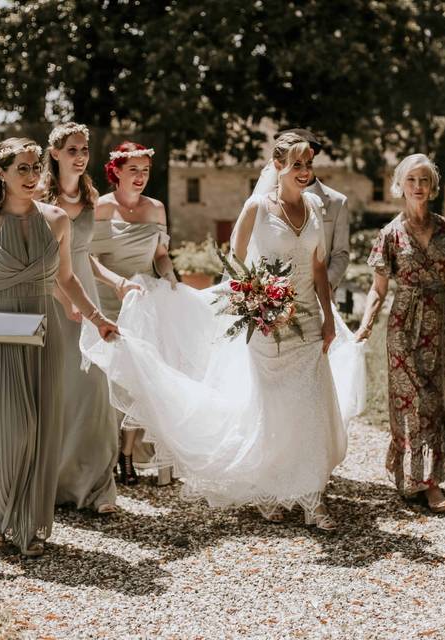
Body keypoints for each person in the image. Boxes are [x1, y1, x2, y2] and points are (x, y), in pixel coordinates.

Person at [82, 132, 367, 531]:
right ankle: (270, 487)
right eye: (297, 165)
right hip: (268, 323)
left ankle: (313, 498)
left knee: (312, 405)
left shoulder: (317, 207)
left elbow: (319, 267)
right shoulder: (256, 207)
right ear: (279, 165)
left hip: (307, 318)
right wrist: (257, 301)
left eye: (309, 165)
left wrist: (329, 317)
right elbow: (235, 264)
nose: (305, 173)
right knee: (274, 406)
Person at [0, 137, 118, 557]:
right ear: (1, 173)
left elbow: (67, 280)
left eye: (36, 169)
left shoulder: (57, 220)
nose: (33, 177)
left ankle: (28, 526)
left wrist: (98, 318)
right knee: (12, 428)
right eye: (23, 170)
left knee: (42, 429)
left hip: (44, 335)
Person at [355, 153, 445, 512]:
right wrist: (366, 323)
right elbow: (378, 289)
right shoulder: (389, 234)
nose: (418, 187)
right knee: (410, 403)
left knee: (435, 401)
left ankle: (430, 480)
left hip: (438, 325)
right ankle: (417, 479)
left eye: (424, 180)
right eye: (412, 180)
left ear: (433, 186)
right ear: (400, 185)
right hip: (403, 326)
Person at [42, 122, 138, 513]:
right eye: (72, 150)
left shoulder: (89, 196)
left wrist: (116, 280)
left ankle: (97, 488)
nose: (80, 157)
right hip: (53, 300)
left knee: (95, 391)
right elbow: (43, 261)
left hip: (88, 296)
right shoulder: (37, 199)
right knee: (58, 392)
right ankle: (53, 484)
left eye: (84, 150)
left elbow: (84, 254)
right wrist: (64, 301)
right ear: (55, 154)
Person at [90, 141, 177, 486]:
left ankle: (127, 454)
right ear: (116, 172)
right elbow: (89, 257)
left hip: (143, 301)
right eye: (133, 170)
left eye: (145, 170)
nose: (141, 177)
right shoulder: (100, 208)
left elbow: (160, 254)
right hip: (106, 297)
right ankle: (103, 454)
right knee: (106, 380)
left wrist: (169, 274)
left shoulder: (156, 208)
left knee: (140, 377)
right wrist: (115, 283)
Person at [274, 128, 351, 290]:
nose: (302, 169)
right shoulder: (266, 202)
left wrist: (325, 286)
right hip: (275, 299)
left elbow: (340, 254)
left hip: (320, 297)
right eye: (295, 162)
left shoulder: (337, 203)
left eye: (306, 161)